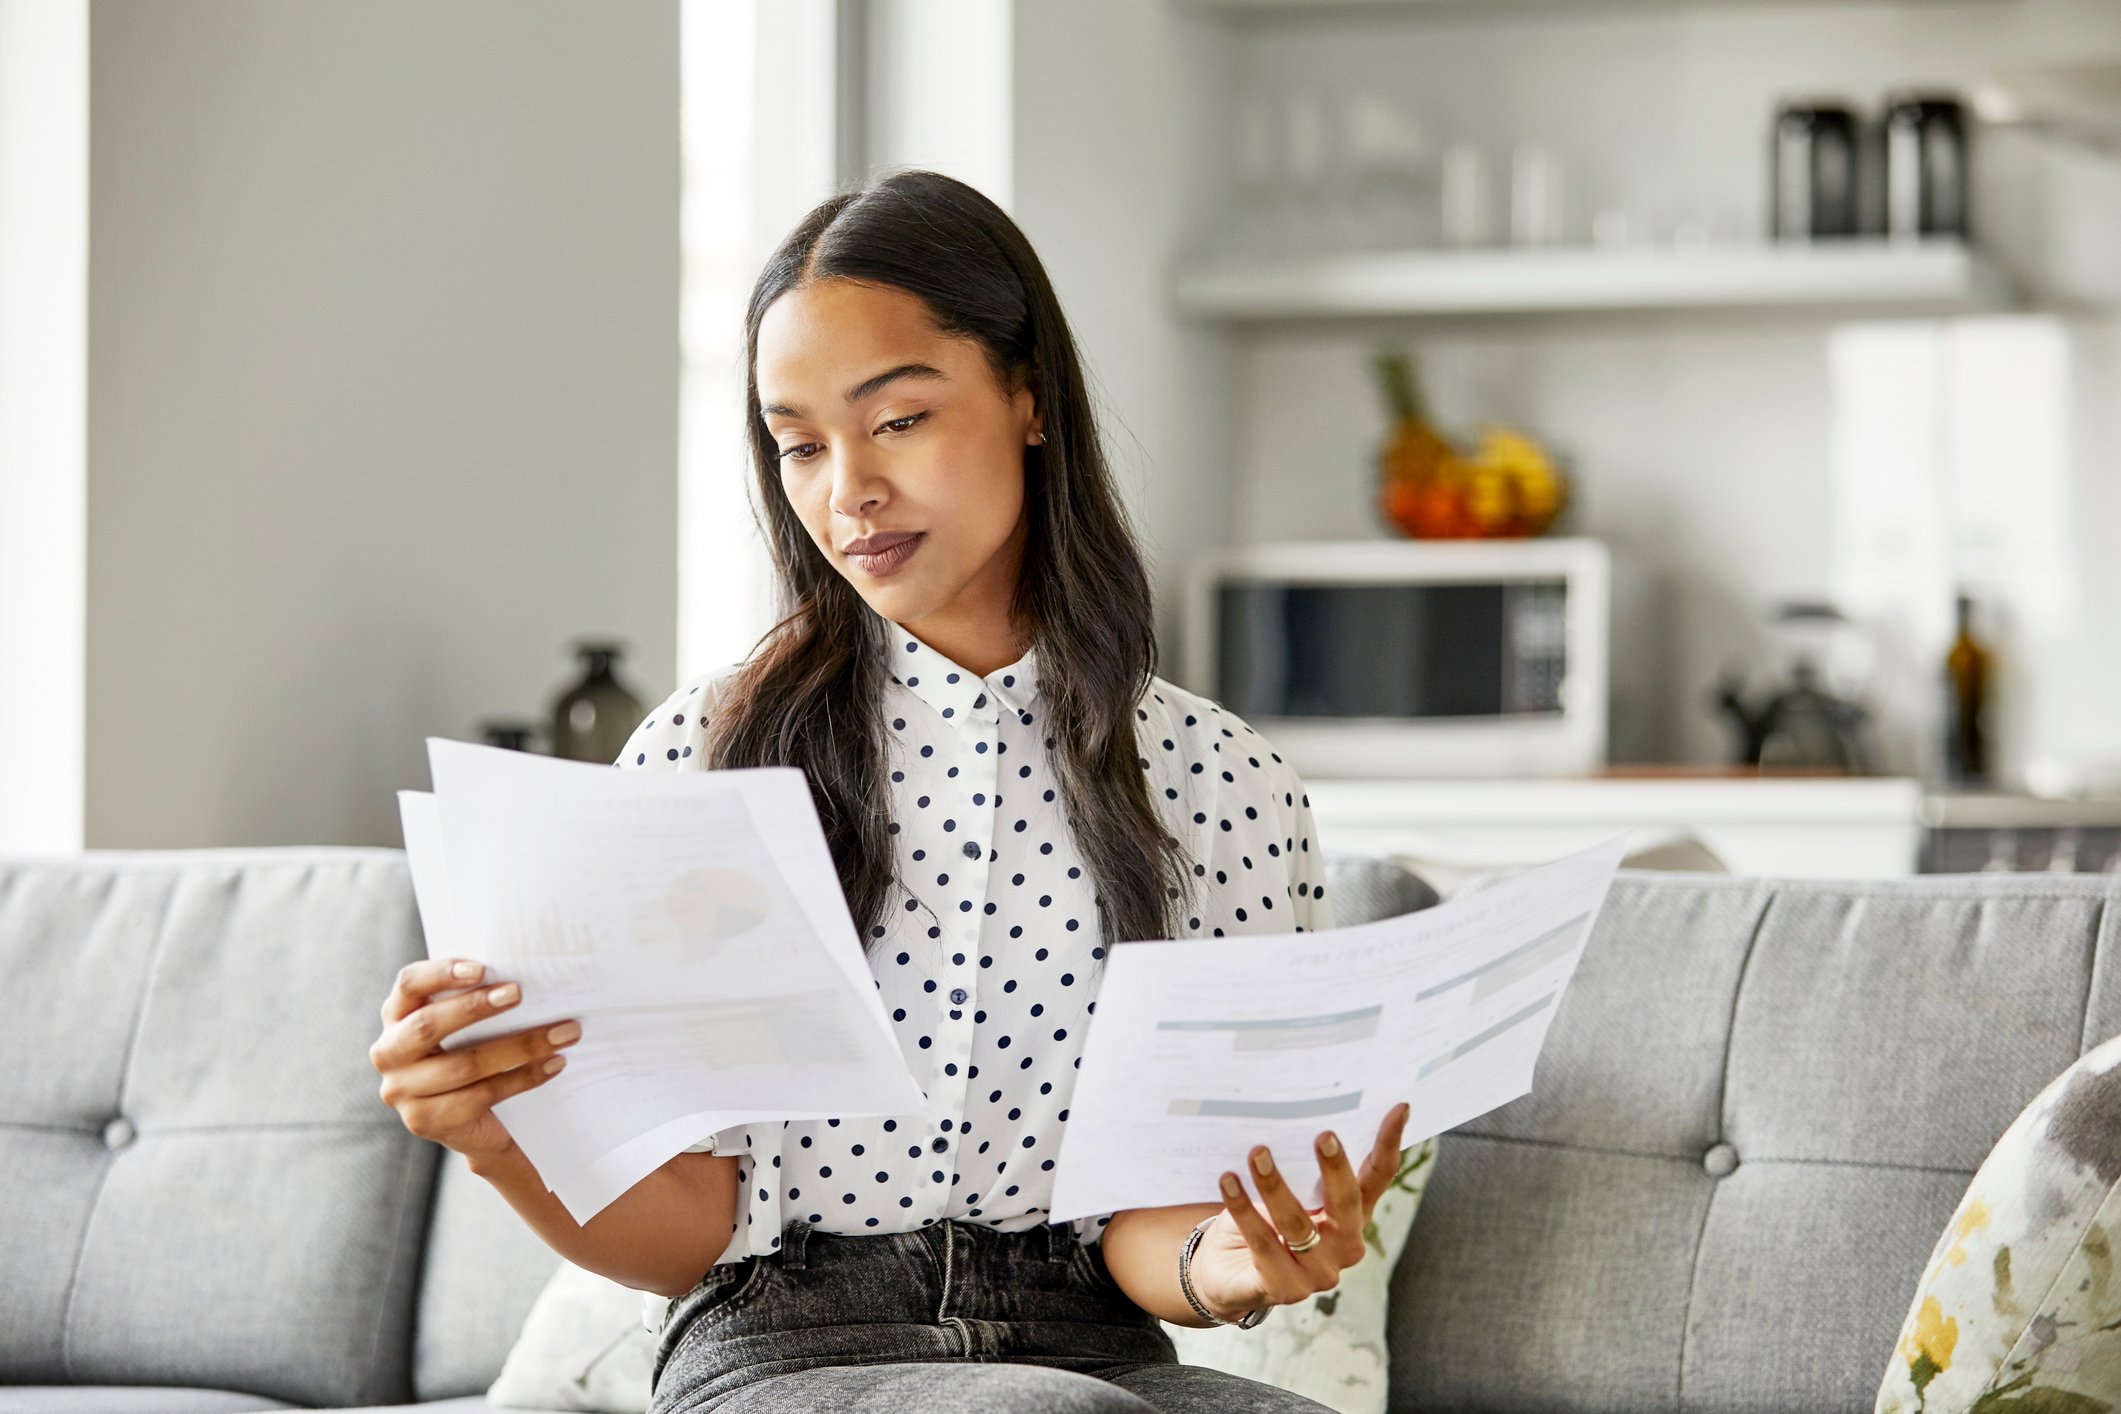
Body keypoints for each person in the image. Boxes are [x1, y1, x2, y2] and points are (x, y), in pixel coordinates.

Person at [371, 169, 1416, 1413]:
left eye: (899, 420)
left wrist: (1233, 1260)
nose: (845, 491)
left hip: (1094, 1349)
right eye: (799, 444)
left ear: (1029, 399)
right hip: (784, 1344)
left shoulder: (1222, 782)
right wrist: (494, 1141)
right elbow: (692, 1224)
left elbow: (1150, 1229)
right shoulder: (707, 753)